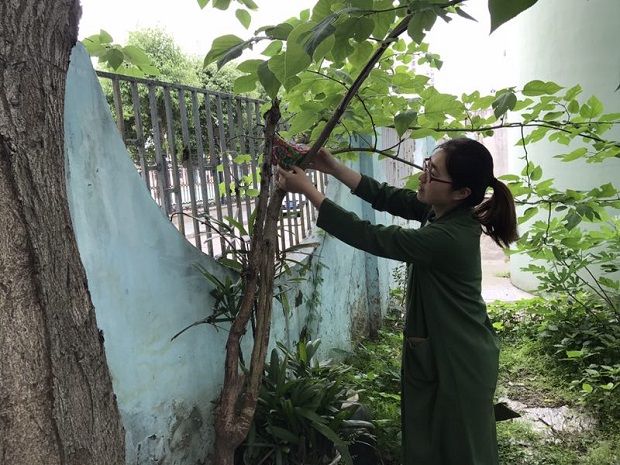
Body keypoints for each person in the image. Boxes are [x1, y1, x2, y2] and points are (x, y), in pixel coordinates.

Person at [276, 137, 518, 465]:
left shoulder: (448, 236)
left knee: (464, 448)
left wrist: (309, 191)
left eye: (433, 173)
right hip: (447, 347)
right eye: (427, 166)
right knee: (432, 438)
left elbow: (373, 237)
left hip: (460, 356)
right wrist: (332, 167)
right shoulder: (442, 211)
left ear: (461, 193)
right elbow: (386, 196)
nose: (423, 176)